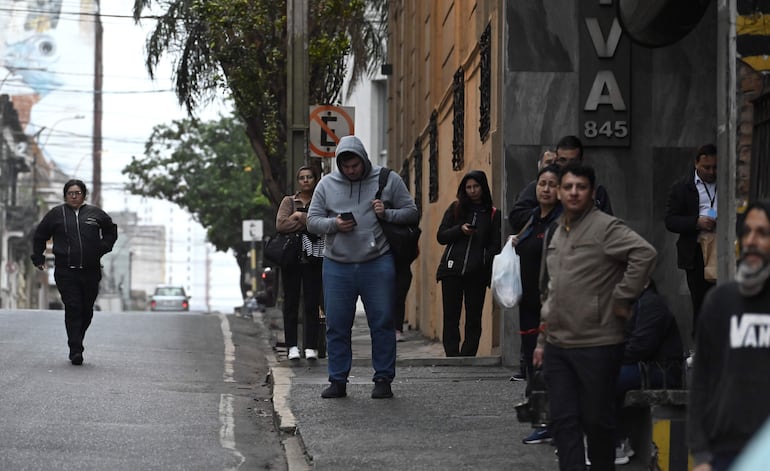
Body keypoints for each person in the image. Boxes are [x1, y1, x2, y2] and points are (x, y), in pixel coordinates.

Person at [533, 162, 656, 471]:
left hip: (598, 344)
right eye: (569, 187)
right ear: (559, 192)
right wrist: (541, 340)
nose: (574, 193)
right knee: (563, 422)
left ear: (591, 192)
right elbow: (550, 290)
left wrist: (622, 296)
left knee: (597, 423)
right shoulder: (556, 231)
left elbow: (645, 254)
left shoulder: (606, 227)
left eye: (581, 187)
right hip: (559, 346)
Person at [307, 135, 418, 399]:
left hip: (377, 262)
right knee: (336, 324)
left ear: (364, 159)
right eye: (345, 166)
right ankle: (337, 380)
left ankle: (383, 378)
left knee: (382, 321)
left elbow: (412, 212)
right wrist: (334, 224)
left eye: (355, 165)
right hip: (337, 265)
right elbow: (312, 221)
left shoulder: (388, 179)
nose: (351, 170)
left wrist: (386, 213)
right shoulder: (326, 184)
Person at [688, 200, 770, 471]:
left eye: (762, 233)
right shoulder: (720, 302)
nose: (751, 240)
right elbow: (701, 381)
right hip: (725, 453)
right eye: (746, 232)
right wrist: (701, 455)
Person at [30, 179, 118, 365]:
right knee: (73, 307)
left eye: (77, 193)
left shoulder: (96, 214)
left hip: (90, 271)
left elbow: (111, 231)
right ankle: (75, 348)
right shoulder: (56, 214)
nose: (74, 196)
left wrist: (102, 247)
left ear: (84, 195)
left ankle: (78, 338)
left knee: (87, 311)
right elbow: (40, 235)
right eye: (70, 193)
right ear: (65, 195)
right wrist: (38, 258)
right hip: (65, 271)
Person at [614, 280, 684, 465]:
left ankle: (616, 442)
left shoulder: (651, 303)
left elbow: (640, 347)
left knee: (606, 378)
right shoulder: (637, 302)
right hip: (648, 367)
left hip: (661, 372)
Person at [436, 170, 502, 357]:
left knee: (474, 317)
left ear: (483, 187)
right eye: (469, 187)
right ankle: (452, 355)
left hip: (477, 273)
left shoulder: (492, 214)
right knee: (451, 316)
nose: (472, 191)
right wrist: (460, 230)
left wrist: (482, 260)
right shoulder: (456, 208)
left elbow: (495, 245)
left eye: (476, 186)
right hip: (451, 270)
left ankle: (468, 355)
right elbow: (441, 236)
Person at [511, 164, 562, 382]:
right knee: (532, 356)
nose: (546, 189)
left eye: (552, 185)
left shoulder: (562, 220)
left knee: (551, 358)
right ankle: (535, 399)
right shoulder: (532, 218)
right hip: (528, 299)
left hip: (553, 301)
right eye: (542, 184)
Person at [664, 143, 718, 338]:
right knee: (701, 301)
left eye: (715, 167)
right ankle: (701, 347)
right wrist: (696, 222)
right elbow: (670, 220)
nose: (712, 172)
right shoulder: (682, 187)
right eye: (707, 167)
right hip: (695, 252)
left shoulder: (725, 182)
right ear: (696, 164)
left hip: (721, 247)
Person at [509, 135, 613, 233]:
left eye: (572, 161)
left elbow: (608, 227)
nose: (567, 166)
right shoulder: (542, 187)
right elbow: (516, 216)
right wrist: (543, 213)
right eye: (562, 160)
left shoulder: (596, 190)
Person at [276, 165, 324, 361]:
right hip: (292, 259)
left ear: (315, 179)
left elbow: (321, 225)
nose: (305, 180)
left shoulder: (320, 201)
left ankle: (311, 346)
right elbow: (281, 225)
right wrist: (307, 222)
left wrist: (299, 217)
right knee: (291, 303)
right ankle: (292, 346)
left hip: (313, 258)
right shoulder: (288, 201)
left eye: (309, 177)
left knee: (312, 303)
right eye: (302, 177)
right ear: (298, 181)